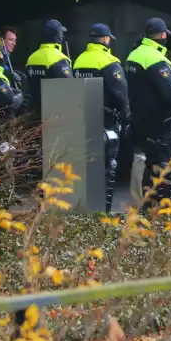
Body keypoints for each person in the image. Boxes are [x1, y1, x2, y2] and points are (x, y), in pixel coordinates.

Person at [126, 18, 171, 202]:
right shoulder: (156, 58)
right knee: (162, 170)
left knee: (144, 164)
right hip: (160, 124)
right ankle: (160, 216)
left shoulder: (134, 54)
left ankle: (143, 207)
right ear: (163, 35)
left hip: (139, 121)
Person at [73, 23, 130, 212]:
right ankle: (103, 214)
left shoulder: (79, 60)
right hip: (106, 122)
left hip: (84, 120)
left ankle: (86, 211)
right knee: (108, 168)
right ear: (106, 39)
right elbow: (121, 94)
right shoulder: (109, 61)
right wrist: (127, 118)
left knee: (86, 168)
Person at [22, 20, 73, 119]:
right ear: (57, 35)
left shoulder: (31, 58)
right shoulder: (59, 58)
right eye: (61, 33)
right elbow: (71, 89)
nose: (62, 36)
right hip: (55, 115)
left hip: (34, 112)